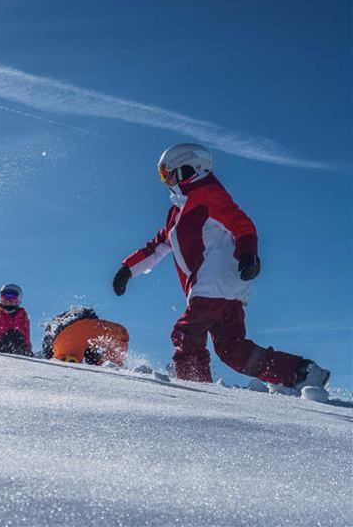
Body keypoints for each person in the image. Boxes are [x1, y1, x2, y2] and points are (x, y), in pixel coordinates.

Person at [112, 143, 329, 390]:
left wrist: (248, 254)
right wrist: (127, 269)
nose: (164, 180)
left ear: (187, 168)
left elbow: (241, 224)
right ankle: (301, 373)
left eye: (166, 172)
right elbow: (157, 246)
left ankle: (195, 390)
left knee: (186, 333)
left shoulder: (207, 193)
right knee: (231, 349)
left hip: (216, 279)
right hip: (226, 290)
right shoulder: (177, 213)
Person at [41, 306, 129, 366]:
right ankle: (111, 365)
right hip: (92, 325)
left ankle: (109, 364)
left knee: (65, 369)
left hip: (63, 339)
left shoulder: (51, 345)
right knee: (122, 337)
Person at [0, 284, 33, 356]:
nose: (8, 300)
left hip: (18, 347)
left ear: (18, 299)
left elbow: (26, 337)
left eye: (12, 297)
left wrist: (27, 350)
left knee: (16, 334)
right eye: (4, 296)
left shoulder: (23, 316)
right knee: (11, 334)